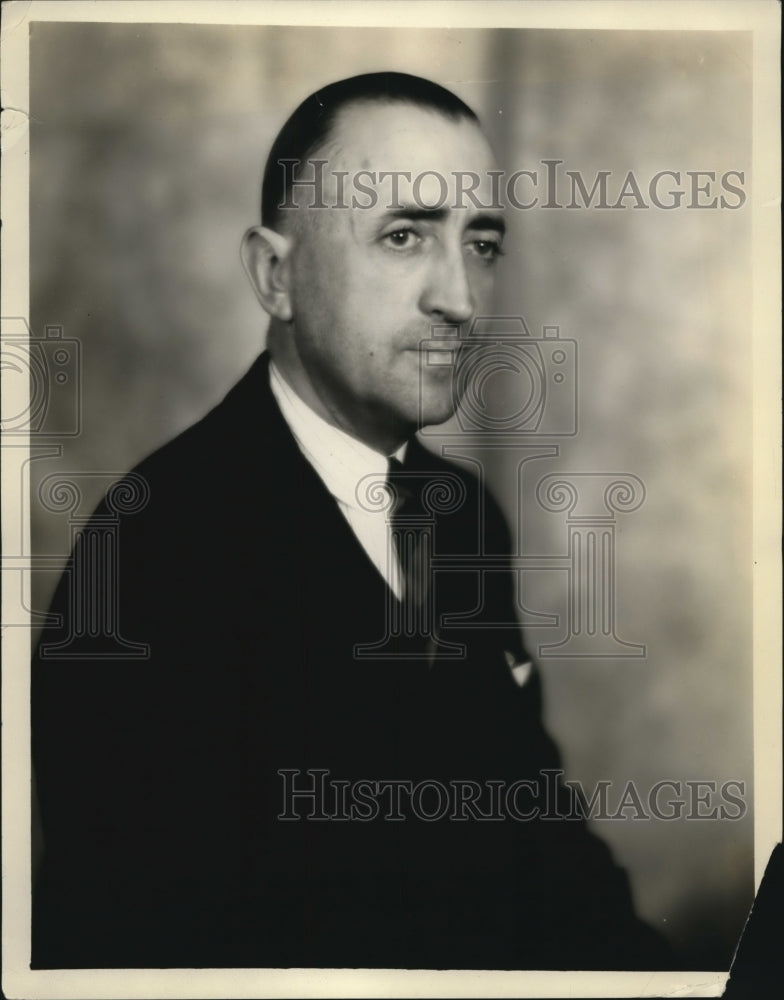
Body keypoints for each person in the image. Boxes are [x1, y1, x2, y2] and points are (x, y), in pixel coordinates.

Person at [31, 72, 673, 970]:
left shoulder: (463, 523)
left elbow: (545, 856)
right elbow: (143, 955)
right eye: (405, 235)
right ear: (275, 274)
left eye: (480, 242)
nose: (460, 296)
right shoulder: (150, 563)